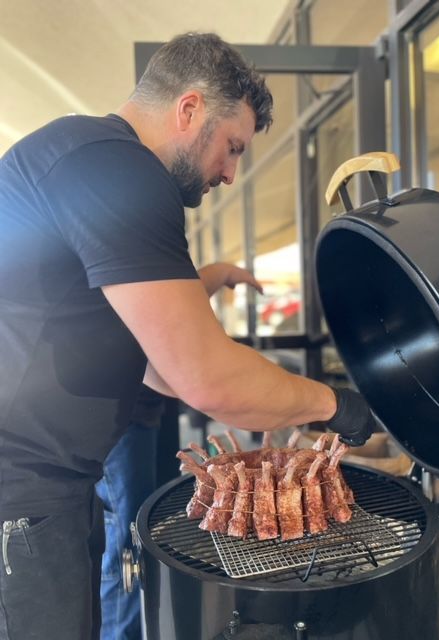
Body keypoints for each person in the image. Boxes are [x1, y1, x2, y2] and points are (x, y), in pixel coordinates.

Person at [0, 32, 374, 640]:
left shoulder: (82, 155)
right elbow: (206, 379)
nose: (229, 174)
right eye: (231, 148)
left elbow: (160, 366)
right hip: (20, 499)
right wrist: (338, 405)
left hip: (47, 491)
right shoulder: (118, 171)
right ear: (189, 108)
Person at [95, 264, 264, 640]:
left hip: (135, 420)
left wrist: (219, 274)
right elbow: (165, 331)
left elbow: (167, 304)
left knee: (131, 533)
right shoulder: (131, 222)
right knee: (126, 545)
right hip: (118, 426)